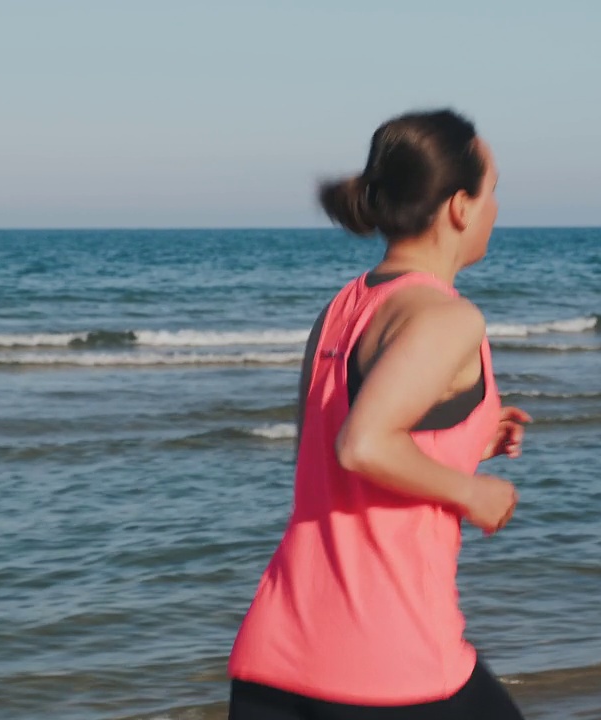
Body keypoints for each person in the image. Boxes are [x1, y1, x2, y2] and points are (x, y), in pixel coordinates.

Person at [227, 109, 531, 720]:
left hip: (276, 660)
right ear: (459, 207)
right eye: (493, 190)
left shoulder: (348, 304)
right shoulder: (448, 318)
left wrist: (468, 436)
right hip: (389, 668)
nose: (497, 208)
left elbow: (336, 452)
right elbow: (362, 445)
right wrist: (472, 492)